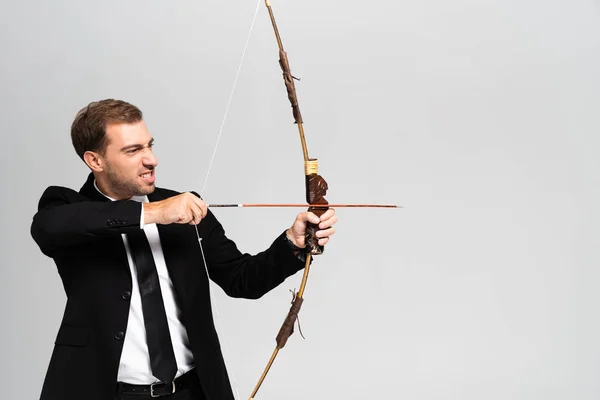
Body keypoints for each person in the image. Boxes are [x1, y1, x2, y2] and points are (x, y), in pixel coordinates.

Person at [30, 99, 337, 400]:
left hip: (191, 391)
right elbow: (50, 227)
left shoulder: (182, 206)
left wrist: (292, 243)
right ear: (95, 160)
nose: (151, 159)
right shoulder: (68, 207)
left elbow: (242, 279)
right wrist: (153, 213)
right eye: (133, 150)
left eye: (149, 145)